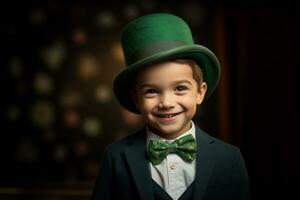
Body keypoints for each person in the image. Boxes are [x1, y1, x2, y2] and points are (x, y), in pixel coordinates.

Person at [91, 13, 250, 200]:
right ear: (136, 99)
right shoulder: (115, 156)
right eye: (151, 91)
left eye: (180, 88)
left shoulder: (229, 157)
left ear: (200, 92)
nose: (166, 103)